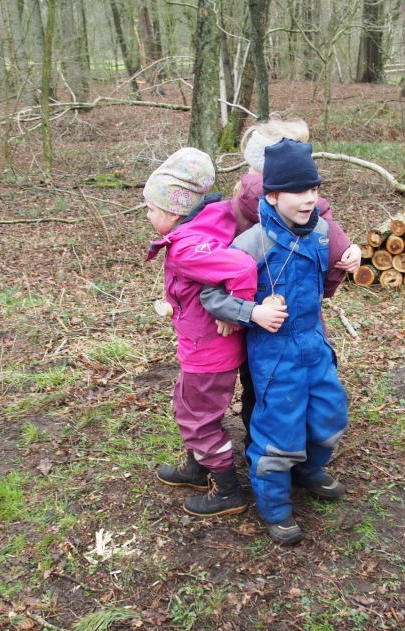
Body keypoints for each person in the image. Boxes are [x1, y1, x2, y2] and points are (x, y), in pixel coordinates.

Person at [201, 139, 350, 544]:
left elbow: (326, 287)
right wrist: (253, 313)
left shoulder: (321, 232)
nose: (310, 199)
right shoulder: (251, 244)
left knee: (331, 416)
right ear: (272, 195)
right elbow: (212, 296)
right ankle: (275, 506)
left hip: (314, 347)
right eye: (299, 191)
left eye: (315, 189)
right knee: (278, 430)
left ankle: (308, 470)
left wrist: (345, 264)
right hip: (275, 355)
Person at [143, 147, 286, 517]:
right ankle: (198, 466)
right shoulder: (205, 224)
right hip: (202, 345)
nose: (147, 215)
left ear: (174, 211)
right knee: (187, 405)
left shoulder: (187, 247)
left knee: (198, 417)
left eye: (152, 209)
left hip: (207, 352)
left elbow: (239, 267)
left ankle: (226, 489)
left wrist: (236, 310)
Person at [226, 117, 361, 453]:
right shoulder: (309, 209)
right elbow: (333, 260)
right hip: (288, 318)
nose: (308, 197)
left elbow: (219, 261)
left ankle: (265, 449)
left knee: (263, 387)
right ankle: (280, 458)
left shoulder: (239, 201)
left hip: (258, 321)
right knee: (292, 390)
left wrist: (235, 306)